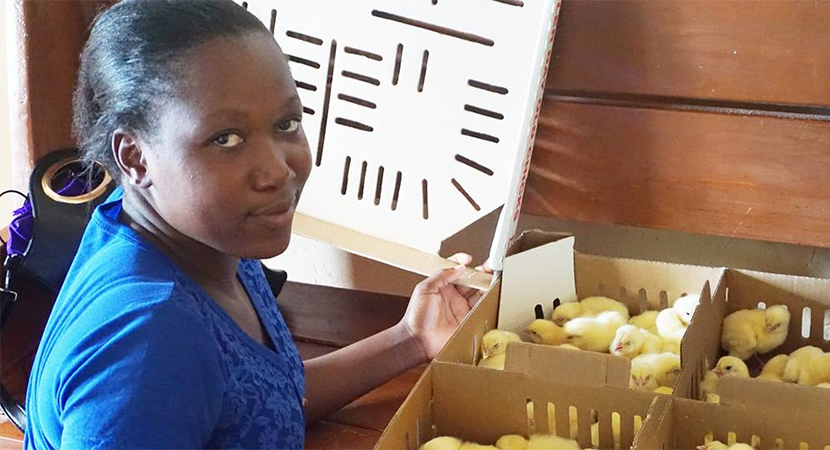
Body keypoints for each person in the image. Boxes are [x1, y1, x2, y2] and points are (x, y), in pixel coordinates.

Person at [22, 1, 487, 448]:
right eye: (226, 138)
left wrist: (410, 338)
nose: (278, 171)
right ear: (136, 157)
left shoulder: (208, 240)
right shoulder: (146, 342)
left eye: (286, 124)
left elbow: (263, 403)